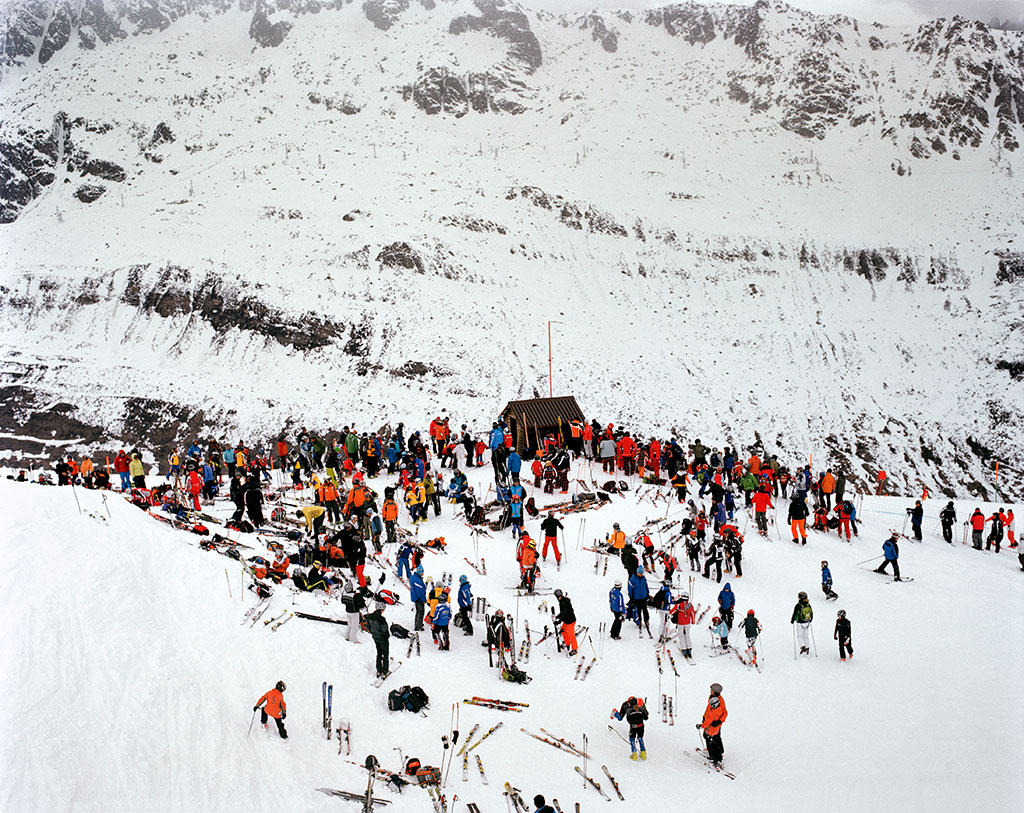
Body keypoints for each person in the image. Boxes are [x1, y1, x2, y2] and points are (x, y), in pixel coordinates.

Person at [697, 683, 728, 767]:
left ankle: (714, 757)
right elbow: (723, 712)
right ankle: (719, 754)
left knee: (709, 738)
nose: (710, 691)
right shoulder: (715, 699)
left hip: (712, 725)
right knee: (716, 738)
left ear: (715, 691)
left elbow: (723, 713)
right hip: (714, 725)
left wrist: (702, 725)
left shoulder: (717, 703)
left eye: (711, 690)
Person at [611, 696, 649, 760]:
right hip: (641, 726)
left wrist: (633, 723)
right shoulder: (641, 709)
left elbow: (629, 720)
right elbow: (646, 717)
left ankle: (634, 754)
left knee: (632, 739)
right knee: (640, 738)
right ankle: (643, 753)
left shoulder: (628, 710)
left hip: (633, 727)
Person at [364, 603, 391, 678]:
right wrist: (386, 636)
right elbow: (385, 630)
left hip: (375, 637)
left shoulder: (369, 616)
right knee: (385, 653)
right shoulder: (382, 619)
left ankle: (379, 670)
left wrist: (373, 632)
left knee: (379, 653)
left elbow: (367, 627)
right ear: (381, 610)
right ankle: (385, 670)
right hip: (383, 638)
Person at [671, 592, 696, 660]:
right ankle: (689, 649)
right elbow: (692, 613)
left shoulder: (679, 604)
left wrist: (669, 614)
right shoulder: (689, 605)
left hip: (680, 623)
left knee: (681, 635)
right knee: (687, 635)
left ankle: (684, 649)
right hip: (687, 623)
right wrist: (693, 621)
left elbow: (672, 611)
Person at [627, 568, 651, 636]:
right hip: (636, 598)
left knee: (645, 610)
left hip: (643, 597)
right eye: (640, 573)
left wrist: (647, 594)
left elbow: (646, 586)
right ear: (637, 572)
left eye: (642, 573)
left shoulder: (643, 578)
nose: (641, 575)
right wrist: (631, 597)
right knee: (638, 610)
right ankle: (639, 621)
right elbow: (630, 589)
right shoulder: (633, 579)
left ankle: (646, 621)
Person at [553, 590, 578, 655]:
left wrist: (558, 621)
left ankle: (574, 649)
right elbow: (563, 613)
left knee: (571, 635)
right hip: (566, 620)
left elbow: (565, 614)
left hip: (570, 621)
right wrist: (557, 617)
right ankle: (567, 644)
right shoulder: (562, 601)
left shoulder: (563, 602)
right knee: (563, 631)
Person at [410, 566, 427, 631]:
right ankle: (418, 626)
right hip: (419, 598)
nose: (423, 573)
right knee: (421, 612)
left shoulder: (414, 577)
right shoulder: (417, 580)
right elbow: (420, 591)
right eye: (422, 572)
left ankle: (418, 623)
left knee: (418, 611)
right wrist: (423, 599)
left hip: (416, 597)